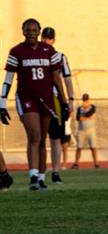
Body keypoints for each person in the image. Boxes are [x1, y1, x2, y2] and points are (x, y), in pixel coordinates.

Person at [1, 18, 71, 190]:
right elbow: (8, 79)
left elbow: (56, 78)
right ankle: (32, 175)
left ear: (39, 31)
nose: (31, 33)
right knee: (34, 135)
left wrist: (64, 102)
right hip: (26, 98)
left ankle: (40, 177)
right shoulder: (17, 51)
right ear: (22, 31)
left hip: (46, 98)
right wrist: (2, 103)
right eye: (28, 30)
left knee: (42, 140)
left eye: (34, 30)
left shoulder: (48, 50)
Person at [40, 26, 75, 185]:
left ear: (53, 40)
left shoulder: (60, 57)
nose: (46, 41)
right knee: (38, 138)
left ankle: (55, 171)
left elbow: (67, 79)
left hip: (55, 99)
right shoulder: (36, 56)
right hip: (39, 98)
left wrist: (70, 100)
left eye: (49, 38)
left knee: (56, 138)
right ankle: (39, 173)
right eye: (44, 38)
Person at [72, 94, 100, 167]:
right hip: (81, 130)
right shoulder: (79, 108)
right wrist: (85, 117)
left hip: (91, 129)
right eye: (84, 100)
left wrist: (84, 116)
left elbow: (89, 114)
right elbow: (78, 118)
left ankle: (96, 163)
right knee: (79, 147)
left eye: (86, 99)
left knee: (93, 147)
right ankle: (76, 163)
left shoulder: (92, 107)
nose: (85, 101)